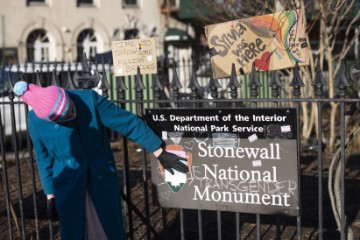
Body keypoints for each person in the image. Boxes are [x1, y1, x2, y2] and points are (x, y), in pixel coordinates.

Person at [13, 81, 188, 240]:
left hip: (100, 177)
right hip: (67, 185)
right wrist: (50, 195)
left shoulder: (88, 99)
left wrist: (159, 152)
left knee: (108, 230)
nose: (72, 113)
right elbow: (43, 159)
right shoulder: (35, 120)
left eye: (71, 109)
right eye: (66, 117)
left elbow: (127, 123)